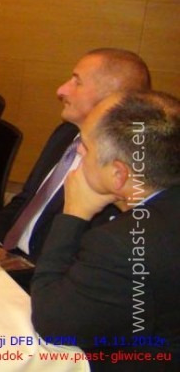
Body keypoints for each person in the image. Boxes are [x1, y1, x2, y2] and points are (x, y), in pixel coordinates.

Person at [31, 91, 179, 368]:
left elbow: (52, 323)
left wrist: (73, 214)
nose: (78, 150)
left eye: (86, 146)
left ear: (118, 175)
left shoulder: (121, 244)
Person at [0, 49, 152, 269]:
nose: (61, 90)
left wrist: (19, 268)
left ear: (112, 98)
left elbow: (86, 253)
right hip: (8, 256)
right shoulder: (66, 133)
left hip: (46, 271)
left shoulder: (120, 170)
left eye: (77, 82)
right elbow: (26, 198)